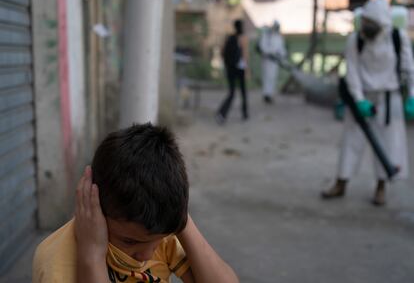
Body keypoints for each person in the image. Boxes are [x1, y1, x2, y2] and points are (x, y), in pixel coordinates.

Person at [32, 123, 239, 283]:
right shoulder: (55, 261)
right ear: (96, 208)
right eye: (129, 242)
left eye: (157, 240)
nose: (147, 254)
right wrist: (92, 255)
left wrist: (180, 220)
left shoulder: (155, 234)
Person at [322, 0, 414, 206]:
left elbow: (409, 69)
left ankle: (381, 187)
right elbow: (352, 70)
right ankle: (341, 183)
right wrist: (359, 100)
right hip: (361, 98)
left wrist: (412, 97)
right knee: (350, 142)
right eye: (365, 23)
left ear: (382, 24)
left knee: (387, 145)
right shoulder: (356, 39)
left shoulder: (398, 38)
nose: (366, 28)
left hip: (389, 99)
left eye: (371, 25)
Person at [215, 19, 249, 124]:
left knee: (232, 92)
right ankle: (244, 113)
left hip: (230, 68)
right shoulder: (243, 38)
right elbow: (245, 54)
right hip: (240, 68)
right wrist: (248, 70)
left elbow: (221, 52)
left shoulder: (229, 37)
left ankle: (222, 112)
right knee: (243, 91)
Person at [258, 21, 286, 104]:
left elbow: (281, 49)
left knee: (272, 77)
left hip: (275, 61)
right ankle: (266, 95)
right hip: (267, 60)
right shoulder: (266, 35)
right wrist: (270, 53)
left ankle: (270, 94)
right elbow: (263, 47)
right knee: (266, 77)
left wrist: (282, 56)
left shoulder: (278, 37)